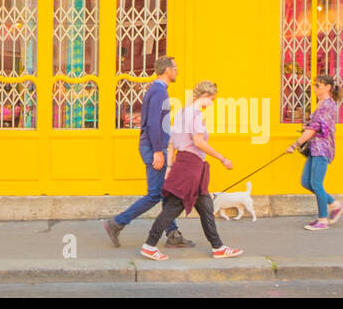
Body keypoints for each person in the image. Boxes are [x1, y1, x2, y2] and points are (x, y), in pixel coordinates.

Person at [140, 80, 243, 260]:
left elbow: (171, 143)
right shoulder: (195, 115)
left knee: (205, 208)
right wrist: (223, 158)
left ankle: (218, 247)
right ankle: (149, 245)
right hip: (191, 166)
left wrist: (170, 168)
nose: (212, 103)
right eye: (212, 99)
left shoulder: (181, 113)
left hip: (186, 165)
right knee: (173, 208)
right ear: (205, 96)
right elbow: (199, 142)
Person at [102, 57, 194, 249]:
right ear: (167, 70)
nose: (177, 71)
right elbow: (153, 124)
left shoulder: (157, 90)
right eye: (175, 68)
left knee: (163, 192)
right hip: (153, 148)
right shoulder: (159, 92)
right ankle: (117, 223)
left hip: (152, 146)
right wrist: (159, 152)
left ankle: (172, 234)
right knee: (154, 194)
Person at [286, 72, 343, 230]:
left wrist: (295, 144)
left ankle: (323, 220)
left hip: (322, 149)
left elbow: (314, 129)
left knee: (317, 184)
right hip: (314, 148)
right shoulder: (321, 104)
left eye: (318, 85)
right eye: (315, 85)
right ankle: (334, 204)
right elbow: (315, 127)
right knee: (306, 182)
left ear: (328, 87)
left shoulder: (326, 105)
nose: (315, 88)